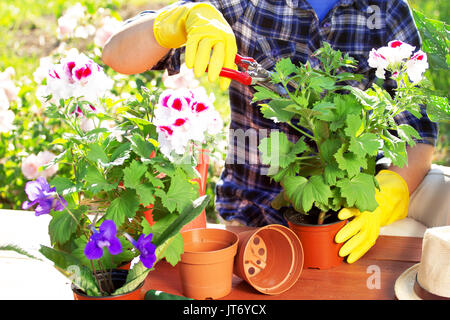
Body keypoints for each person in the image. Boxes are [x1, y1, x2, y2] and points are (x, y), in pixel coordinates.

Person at [102, 0, 445, 264]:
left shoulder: (385, 10)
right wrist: (180, 20)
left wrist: (387, 196)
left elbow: (419, 130)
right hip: (250, 225)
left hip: (341, 228)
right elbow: (117, 54)